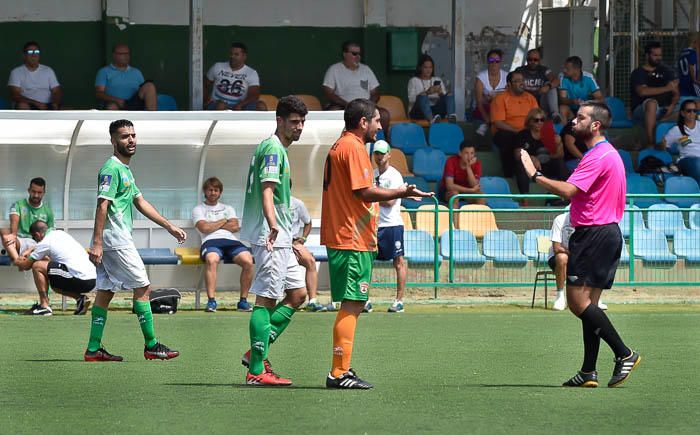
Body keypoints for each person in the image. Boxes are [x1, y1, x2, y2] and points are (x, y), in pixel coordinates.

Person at [520, 100, 640, 388]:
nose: (573, 121)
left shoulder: (597, 156)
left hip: (594, 234)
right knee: (591, 305)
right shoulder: (607, 154)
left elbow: (568, 192)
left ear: (595, 125)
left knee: (577, 303)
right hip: (606, 233)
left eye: (580, 118)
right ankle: (588, 371)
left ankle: (625, 353)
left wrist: (535, 175)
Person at [321, 98, 432, 389]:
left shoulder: (339, 146)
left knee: (352, 303)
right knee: (354, 303)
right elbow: (365, 193)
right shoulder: (354, 148)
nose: (380, 126)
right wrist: (401, 191)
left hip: (345, 235)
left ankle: (341, 368)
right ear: (363, 122)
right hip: (351, 237)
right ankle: (338, 372)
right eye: (376, 121)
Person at [85, 119, 186, 362]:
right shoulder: (111, 168)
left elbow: (140, 202)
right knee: (142, 287)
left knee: (105, 292)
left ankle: (93, 349)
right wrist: (97, 242)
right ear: (113, 141)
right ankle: (151, 345)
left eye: (132, 135)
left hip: (113, 240)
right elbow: (102, 205)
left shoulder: (125, 170)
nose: (130, 140)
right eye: (124, 136)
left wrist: (169, 226)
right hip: (115, 240)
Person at [239, 96, 309, 386]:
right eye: (294, 122)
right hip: (272, 236)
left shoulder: (278, 149)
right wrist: (272, 226)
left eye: (302, 122)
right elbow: (267, 190)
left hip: (278, 236)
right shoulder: (272, 148)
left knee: (297, 295)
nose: (299, 127)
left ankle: (256, 351)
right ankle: (256, 370)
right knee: (266, 300)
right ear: (279, 121)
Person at [192, 177, 254, 313]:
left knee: (248, 260)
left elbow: (235, 226)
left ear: (220, 192)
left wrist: (212, 224)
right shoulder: (198, 209)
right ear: (205, 191)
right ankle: (211, 301)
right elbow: (204, 229)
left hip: (231, 241)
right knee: (211, 260)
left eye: (216, 190)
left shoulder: (228, 208)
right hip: (210, 241)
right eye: (210, 190)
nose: (213, 193)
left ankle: (243, 301)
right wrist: (224, 221)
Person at [14, 220, 93, 316]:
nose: (35, 240)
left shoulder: (45, 243)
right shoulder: (60, 233)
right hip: (91, 280)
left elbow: (26, 266)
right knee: (55, 285)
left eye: (34, 237)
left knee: (37, 266)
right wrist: (30, 249)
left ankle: (44, 306)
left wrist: (17, 260)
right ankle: (81, 299)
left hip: (80, 278)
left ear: (38, 234)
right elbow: (41, 247)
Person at [1, 178, 55, 312]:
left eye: (39, 192)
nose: (36, 195)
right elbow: (13, 231)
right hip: (19, 242)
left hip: (38, 245)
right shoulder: (18, 205)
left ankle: (45, 302)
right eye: (33, 191)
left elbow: (50, 236)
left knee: (45, 262)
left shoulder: (48, 211)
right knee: (6, 232)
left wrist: (35, 249)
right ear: (28, 190)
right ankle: (18, 260)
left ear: (44, 192)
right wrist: (13, 234)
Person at [372, 140, 408, 313]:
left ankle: (399, 301)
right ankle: (364, 299)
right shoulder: (371, 174)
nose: (379, 157)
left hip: (392, 225)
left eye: (382, 153)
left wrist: (373, 195)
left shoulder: (395, 176)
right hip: (374, 225)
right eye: (376, 153)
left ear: (389, 154)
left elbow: (390, 201)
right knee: (366, 261)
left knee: (398, 262)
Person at [548, 212, 607, 311]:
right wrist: (575, 254)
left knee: (595, 258)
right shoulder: (560, 220)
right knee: (562, 258)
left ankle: (593, 298)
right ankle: (560, 297)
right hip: (559, 257)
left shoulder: (588, 221)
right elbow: (557, 248)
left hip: (578, 257)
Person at [288, 180, 329, 312]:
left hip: (293, 243)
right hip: (277, 244)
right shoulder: (269, 202)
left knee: (310, 261)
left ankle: (312, 301)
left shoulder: (297, 203)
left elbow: (308, 222)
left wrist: (303, 238)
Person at [491, 71, 539, 177]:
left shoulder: (530, 98)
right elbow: (498, 123)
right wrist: (516, 131)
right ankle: (509, 174)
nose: (521, 83)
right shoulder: (501, 98)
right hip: (507, 132)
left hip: (526, 132)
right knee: (506, 138)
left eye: (522, 80)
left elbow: (537, 117)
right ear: (509, 84)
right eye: (517, 81)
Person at [630, 41, 679, 145]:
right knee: (651, 104)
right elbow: (642, 91)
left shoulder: (666, 71)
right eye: (655, 55)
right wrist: (667, 88)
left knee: (689, 109)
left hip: (665, 109)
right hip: (642, 110)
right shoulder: (638, 72)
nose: (659, 58)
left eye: (660, 55)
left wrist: (672, 106)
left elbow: (675, 92)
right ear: (647, 55)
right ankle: (651, 144)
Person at [514, 108, 568, 195]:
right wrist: (531, 158)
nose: (539, 123)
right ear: (530, 121)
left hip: (546, 167)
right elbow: (517, 154)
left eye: (542, 120)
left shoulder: (549, 133)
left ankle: (568, 194)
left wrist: (559, 144)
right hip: (530, 169)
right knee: (521, 165)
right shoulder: (523, 134)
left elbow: (559, 155)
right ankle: (525, 198)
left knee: (560, 163)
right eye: (536, 120)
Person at [95, 44, 158, 110]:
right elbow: (99, 93)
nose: (126, 56)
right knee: (112, 106)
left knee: (149, 86)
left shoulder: (136, 72)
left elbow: (143, 91)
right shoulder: (104, 71)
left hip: (134, 104)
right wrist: (117, 100)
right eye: (122, 53)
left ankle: (151, 118)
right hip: (115, 103)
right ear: (114, 55)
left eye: (127, 53)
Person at [204, 42, 262, 110]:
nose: (232, 56)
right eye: (231, 54)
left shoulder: (251, 73)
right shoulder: (217, 66)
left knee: (261, 106)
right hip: (217, 103)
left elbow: (254, 95)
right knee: (221, 105)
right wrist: (206, 99)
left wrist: (240, 105)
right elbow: (203, 84)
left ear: (244, 56)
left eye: (236, 54)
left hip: (240, 105)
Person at [322, 41, 380, 110]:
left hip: (365, 107)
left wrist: (370, 104)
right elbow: (329, 93)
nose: (358, 56)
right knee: (334, 111)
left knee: (384, 114)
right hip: (343, 106)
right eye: (354, 54)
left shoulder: (366, 69)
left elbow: (375, 92)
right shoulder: (334, 69)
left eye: (359, 54)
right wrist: (347, 105)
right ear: (344, 54)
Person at [7, 41, 62, 110]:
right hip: (28, 105)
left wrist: (55, 103)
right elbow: (15, 95)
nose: (34, 54)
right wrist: (37, 104)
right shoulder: (16, 72)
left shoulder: (48, 70)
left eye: (36, 52)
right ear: (24, 56)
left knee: (68, 110)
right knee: (22, 106)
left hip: (47, 105)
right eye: (30, 52)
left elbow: (57, 90)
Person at [515, 48, 561, 122]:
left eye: (535, 60)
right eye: (530, 59)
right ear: (527, 60)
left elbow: (557, 81)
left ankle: (555, 114)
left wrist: (548, 87)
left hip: (541, 101)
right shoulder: (520, 70)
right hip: (525, 101)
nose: (532, 62)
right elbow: (513, 83)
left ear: (540, 60)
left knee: (550, 85)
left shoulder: (544, 69)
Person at [407, 54, 456, 124]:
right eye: (425, 67)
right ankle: (431, 120)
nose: (428, 70)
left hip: (435, 111)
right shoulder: (413, 80)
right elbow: (411, 100)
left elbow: (444, 99)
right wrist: (428, 92)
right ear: (420, 68)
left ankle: (451, 119)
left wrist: (440, 93)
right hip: (419, 112)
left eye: (430, 67)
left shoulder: (437, 79)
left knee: (449, 95)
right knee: (422, 96)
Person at [663, 99, 700, 184]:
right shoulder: (676, 130)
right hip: (688, 160)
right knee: (697, 163)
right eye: (689, 111)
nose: (692, 113)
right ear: (682, 113)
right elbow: (664, 146)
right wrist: (662, 144)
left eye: (695, 111)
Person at [557, 56, 604, 122]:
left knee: (597, 109)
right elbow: (562, 99)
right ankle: (564, 131)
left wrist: (588, 103)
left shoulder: (588, 77)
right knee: (562, 108)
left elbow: (600, 98)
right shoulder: (563, 77)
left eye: (567, 69)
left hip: (586, 109)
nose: (564, 70)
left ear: (576, 69)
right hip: (571, 110)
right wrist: (573, 101)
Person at [437, 142, 485, 206]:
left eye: (472, 153)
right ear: (460, 153)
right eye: (466, 153)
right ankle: (454, 216)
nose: (469, 156)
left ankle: (478, 216)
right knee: (455, 194)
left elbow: (474, 185)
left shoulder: (477, 164)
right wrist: (470, 190)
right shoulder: (451, 161)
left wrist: (468, 167)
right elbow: (450, 186)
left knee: (481, 196)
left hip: (467, 191)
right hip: (448, 191)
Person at [474, 49, 508, 135]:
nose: (494, 63)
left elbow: (509, 96)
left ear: (500, 62)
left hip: (501, 109)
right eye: (491, 60)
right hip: (485, 108)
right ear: (487, 61)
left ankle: (487, 126)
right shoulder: (481, 77)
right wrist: (486, 118)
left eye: (497, 61)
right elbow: (479, 101)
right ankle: (488, 124)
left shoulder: (507, 76)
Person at [678, 32, 700, 98]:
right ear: (695, 42)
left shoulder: (682, 53)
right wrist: (694, 80)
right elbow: (691, 66)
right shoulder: (692, 53)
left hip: (682, 82)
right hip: (691, 83)